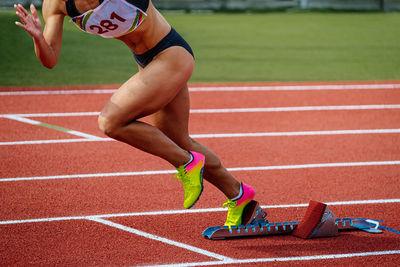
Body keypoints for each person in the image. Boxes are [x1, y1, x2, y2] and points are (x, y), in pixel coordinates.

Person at [14, 0, 258, 226]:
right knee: (180, 141)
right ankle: (240, 196)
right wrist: (38, 38)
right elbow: (50, 58)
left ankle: (186, 163)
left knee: (110, 122)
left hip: (171, 54)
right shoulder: (56, 4)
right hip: (148, 63)